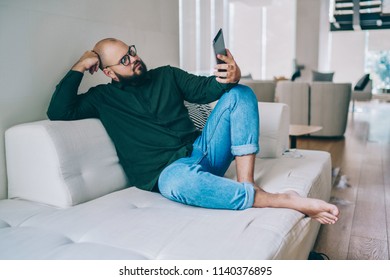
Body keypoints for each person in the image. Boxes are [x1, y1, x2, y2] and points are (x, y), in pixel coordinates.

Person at [47, 38, 339, 224]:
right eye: (123, 60)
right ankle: (282, 199)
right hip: (169, 172)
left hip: (204, 151)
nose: (133, 59)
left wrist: (229, 77)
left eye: (131, 52)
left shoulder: (167, 75)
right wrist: (80, 65)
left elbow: (208, 89)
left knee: (241, 92)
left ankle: (248, 183)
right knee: (177, 185)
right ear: (109, 72)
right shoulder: (102, 99)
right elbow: (59, 111)